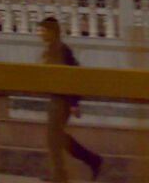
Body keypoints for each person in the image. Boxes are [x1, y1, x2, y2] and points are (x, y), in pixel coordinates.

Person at [39, 17, 102, 182]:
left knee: (54, 138)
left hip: (62, 100)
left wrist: (74, 103)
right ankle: (90, 161)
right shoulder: (52, 49)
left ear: (52, 32)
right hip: (56, 97)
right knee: (55, 138)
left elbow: (72, 75)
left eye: (43, 30)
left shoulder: (61, 50)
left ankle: (63, 174)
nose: (40, 33)